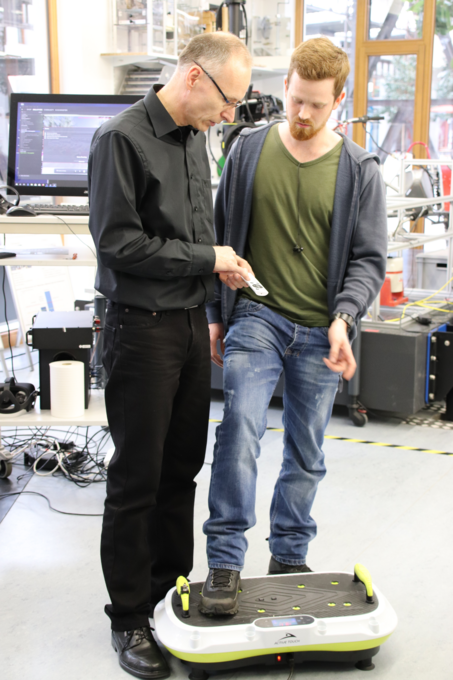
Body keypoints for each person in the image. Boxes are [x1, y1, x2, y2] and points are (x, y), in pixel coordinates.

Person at [200, 36, 388, 616]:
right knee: (240, 432)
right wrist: (214, 313)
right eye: (296, 100)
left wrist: (344, 318)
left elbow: (367, 259)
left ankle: (288, 554)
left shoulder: (360, 171)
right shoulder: (250, 150)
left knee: (306, 452)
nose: (303, 115)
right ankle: (225, 561)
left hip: (320, 329)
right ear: (285, 87)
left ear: (339, 100)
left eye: (317, 105)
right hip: (258, 314)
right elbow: (220, 234)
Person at [88, 32, 253, 679]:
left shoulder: (195, 141)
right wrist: (206, 259)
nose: (228, 115)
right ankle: (128, 618)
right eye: (227, 100)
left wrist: (217, 278)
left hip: (187, 324)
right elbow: (119, 245)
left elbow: (196, 235)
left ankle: (167, 594)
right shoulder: (120, 140)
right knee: (137, 479)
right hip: (140, 327)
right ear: (192, 77)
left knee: (181, 468)